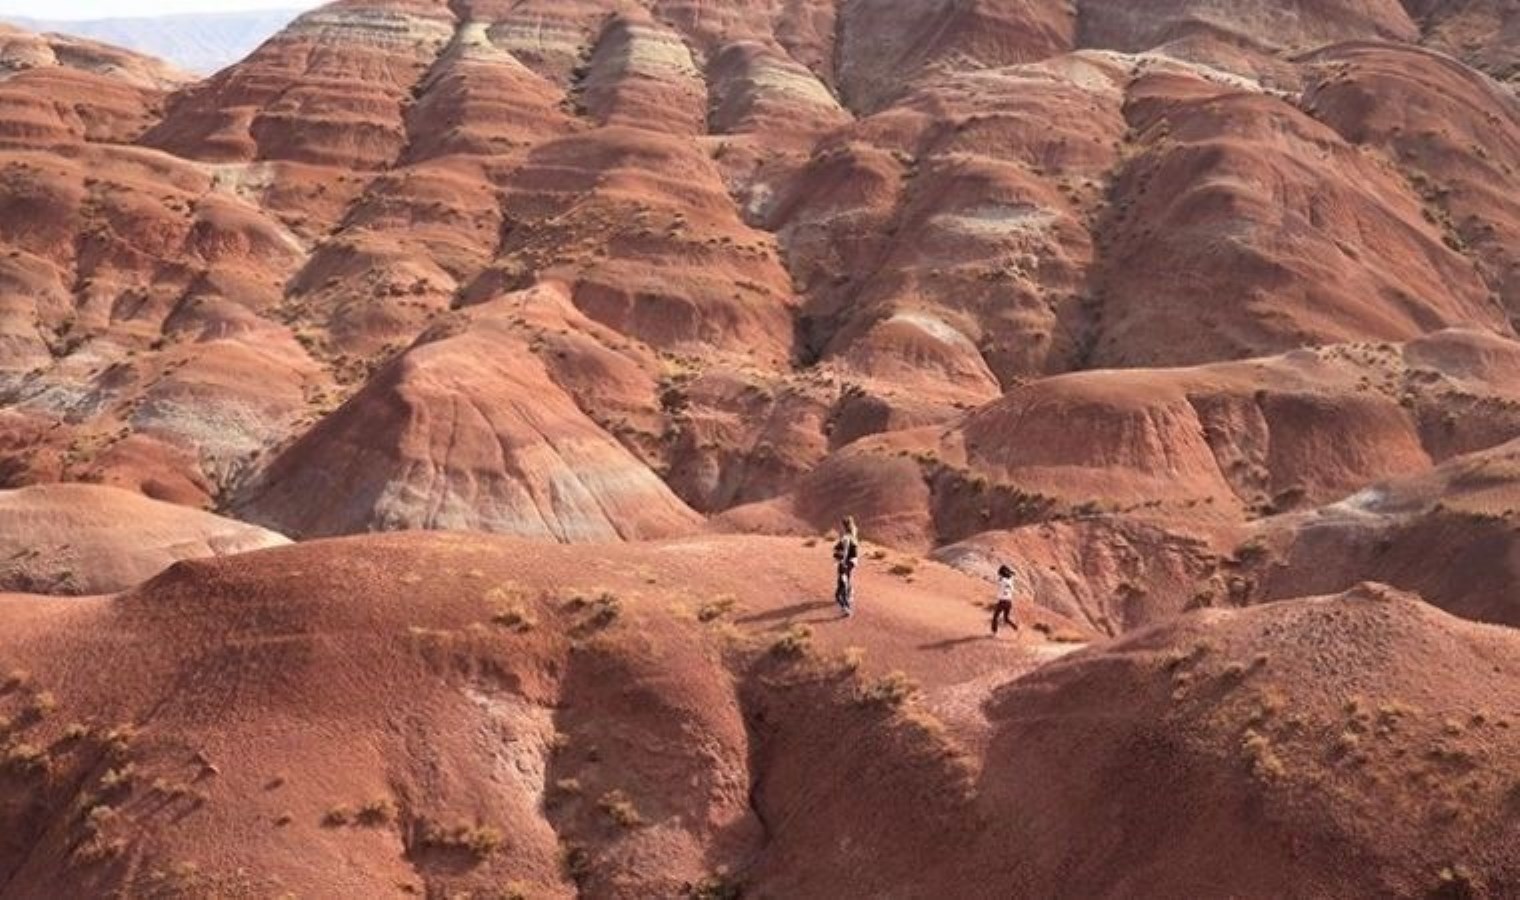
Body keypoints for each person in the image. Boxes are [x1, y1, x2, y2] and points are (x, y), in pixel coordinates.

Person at [833, 516, 860, 617]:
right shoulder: (853, 535)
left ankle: (846, 607)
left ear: (843, 526)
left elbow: (845, 550)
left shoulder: (846, 537)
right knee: (846, 580)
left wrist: (842, 560)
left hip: (845, 563)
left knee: (840, 587)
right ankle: (849, 593)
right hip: (852, 563)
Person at [991, 563, 1017, 635]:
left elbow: (999, 578)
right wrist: (1010, 572)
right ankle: (1015, 627)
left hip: (1002, 602)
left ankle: (994, 633)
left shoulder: (1001, 580)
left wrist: (1005, 572)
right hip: (1009, 602)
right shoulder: (1011, 580)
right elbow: (1012, 574)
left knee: (995, 617)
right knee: (1006, 619)